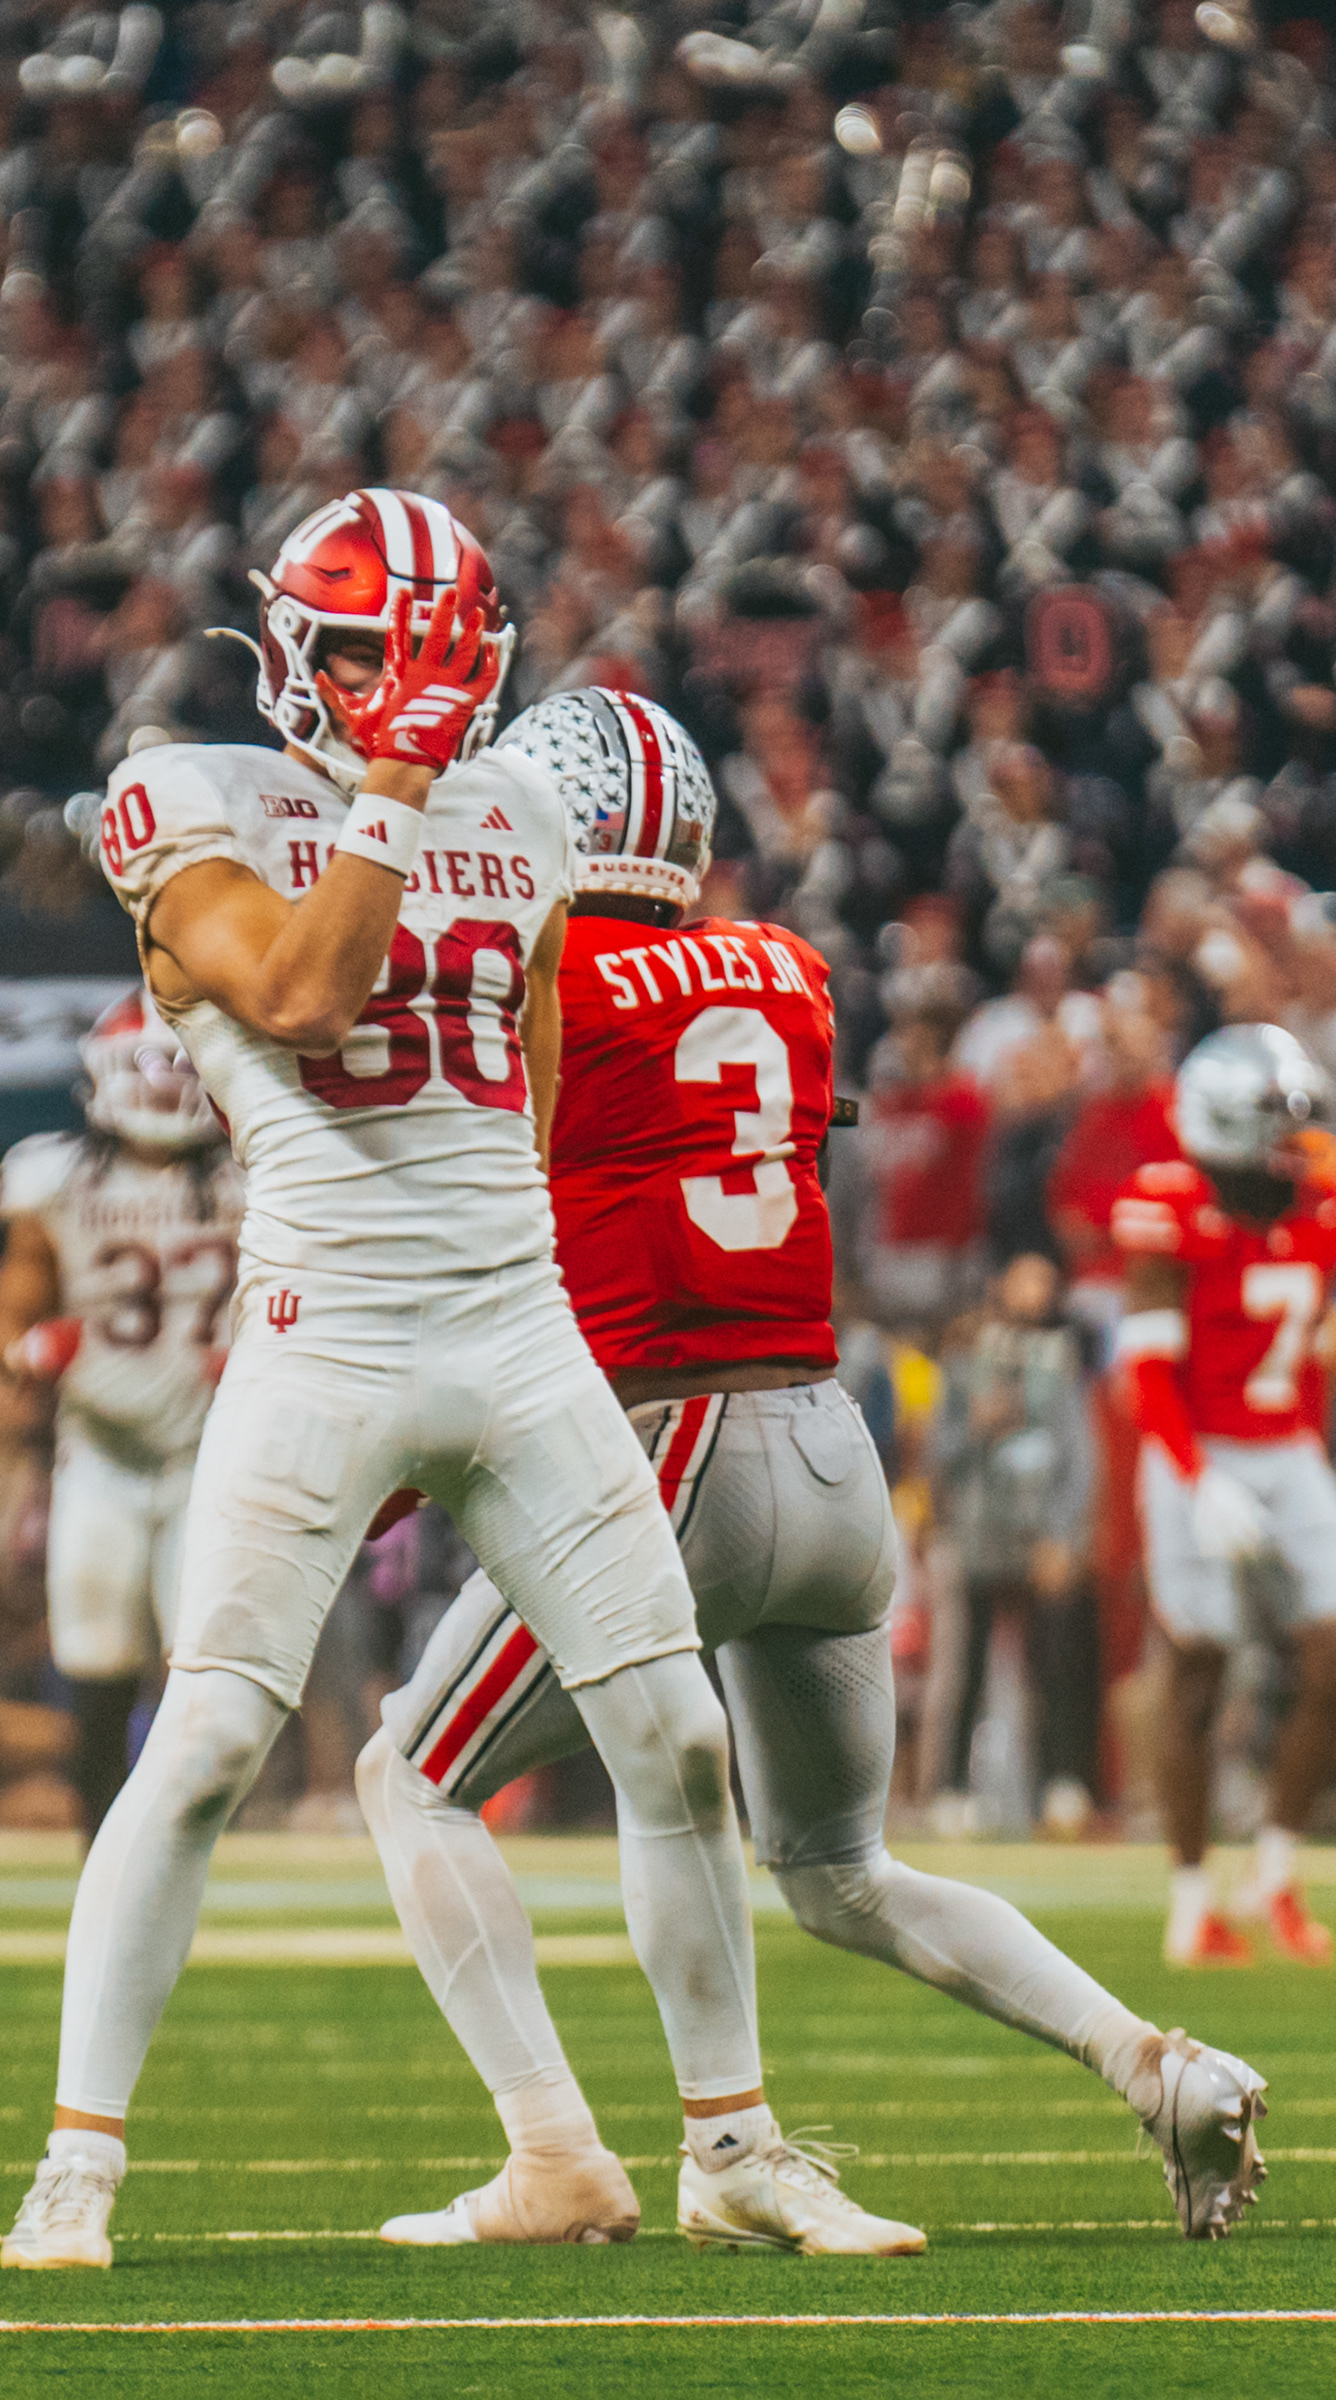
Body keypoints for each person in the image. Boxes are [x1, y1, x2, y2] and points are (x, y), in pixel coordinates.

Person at [356, 686, 1267, 2253]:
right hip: (826, 1450)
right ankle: (1156, 2063)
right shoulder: (787, 970)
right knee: (843, 1870)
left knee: (411, 1775)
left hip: (667, 1448)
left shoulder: (548, 982)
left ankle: (567, 2153)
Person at [1, 490, 771, 2271]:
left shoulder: (521, 810)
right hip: (322, 1331)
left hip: (509, 1326)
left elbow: (536, 1075)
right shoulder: (185, 795)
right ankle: (78, 2163)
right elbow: (300, 993)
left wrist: (510, 1280)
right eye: (360, 652)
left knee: (679, 1731)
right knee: (209, 1741)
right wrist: (396, 788)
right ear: (292, 648)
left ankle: (733, 2146)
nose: (389, 687)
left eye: (421, 658)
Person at [0, 989, 243, 1835]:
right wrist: (23, 1356)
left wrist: (265, 1355)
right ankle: (103, 1846)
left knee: (204, 1663)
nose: (164, 1082)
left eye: (179, 1064)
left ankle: (184, 1832)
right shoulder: (57, 1179)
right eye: (150, 1063)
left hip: (215, 1451)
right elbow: (2, 1324)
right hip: (99, 1447)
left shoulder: (256, 1173)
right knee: (95, 1658)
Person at [1111, 1025, 1336, 1968]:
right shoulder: (1170, 1207)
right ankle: (1191, 1901)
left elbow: (1313, 1356)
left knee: (1329, 1656)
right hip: (1194, 1450)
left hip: (1286, 1449)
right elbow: (1149, 1371)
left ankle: (1273, 1874)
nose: (1295, 1144)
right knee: (1198, 1666)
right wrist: (1198, 1482)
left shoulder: (1321, 1201)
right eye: (1275, 1124)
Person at [932, 1253, 1100, 1834]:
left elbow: (1079, 1456)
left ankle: (1060, 1784)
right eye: (1025, 1280)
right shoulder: (964, 1362)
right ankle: (953, 1788)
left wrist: (1065, 1534)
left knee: (1055, 1664)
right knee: (970, 1664)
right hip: (981, 1531)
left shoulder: (1061, 1363)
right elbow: (940, 1453)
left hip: (1039, 1534)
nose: (1034, 1293)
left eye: (1045, 1283)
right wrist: (976, 1426)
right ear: (1001, 1286)